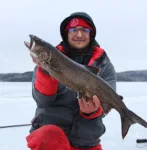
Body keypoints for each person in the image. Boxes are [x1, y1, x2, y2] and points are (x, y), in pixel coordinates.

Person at [26, 12, 117, 150]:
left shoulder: (105, 66)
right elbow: (43, 101)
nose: (79, 35)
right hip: (51, 137)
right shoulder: (50, 60)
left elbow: (106, 106)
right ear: (66, 34)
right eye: (74, 30)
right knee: (48, 136)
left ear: (91, 34)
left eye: (84, 30)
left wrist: (91, 112)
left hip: (87, 140)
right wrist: (45, 71)